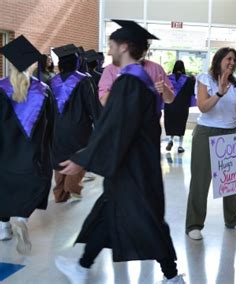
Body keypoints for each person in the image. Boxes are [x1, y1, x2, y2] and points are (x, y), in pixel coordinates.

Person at [54, 20, 184, 284]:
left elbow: (115, 128)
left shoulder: (130, 83)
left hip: (133, 168)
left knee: (146, 220)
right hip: (134, 165)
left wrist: (83, 158)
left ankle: (171, 277)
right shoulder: (138, 80)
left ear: (124, 46)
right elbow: (116, 127)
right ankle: (82, 266)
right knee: (109, 213)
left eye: (112, 44)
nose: (109, 49)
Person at [185, 47, 236, 241]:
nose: (232, 62)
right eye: (228, 59)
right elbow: (203, 107)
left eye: (234, 60)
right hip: (206, 132)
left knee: (230, 180)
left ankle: (232, 219)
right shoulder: (205, 79)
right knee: (200, 180)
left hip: (229, 133)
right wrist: (219, 93)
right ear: (219, 59)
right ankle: (194, 224)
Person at [0, 35, 54, 255]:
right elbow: (51, 126)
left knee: (2, 188)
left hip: (4, 155)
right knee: (34, 185)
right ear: (32, 65)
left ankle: (4, 227)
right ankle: (22, 218)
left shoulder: (1, 89)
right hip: (32, 155)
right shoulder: (44, 91)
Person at [49, 44, 101, 203]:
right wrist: (99, 122)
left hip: (57, 127)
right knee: (77, 157)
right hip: (79, 127)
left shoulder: (53, 81)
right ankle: (73, 187)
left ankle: (59, 193)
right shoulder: (85, 80)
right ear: (76, 62)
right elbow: (92, 104)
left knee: (59, 158)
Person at [97, 56, 173, 107]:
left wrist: (165, 89)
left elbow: (170, 99)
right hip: (120, 124)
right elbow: (104, 102)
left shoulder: (156, 68)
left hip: (149, 125)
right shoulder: (111, 69)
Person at [164, 60, 196, 153]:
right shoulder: (189, 79)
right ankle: (180, 146)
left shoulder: (168, 78)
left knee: (171, 122)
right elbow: (193, 93)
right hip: (182, 106)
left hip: (169, 105)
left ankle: (170, 140)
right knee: (181, 124)